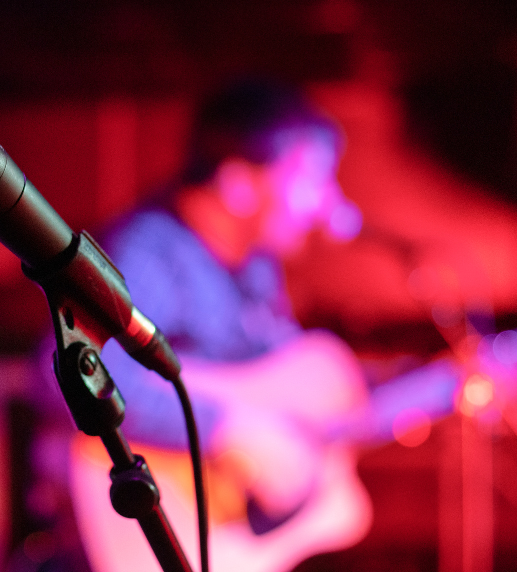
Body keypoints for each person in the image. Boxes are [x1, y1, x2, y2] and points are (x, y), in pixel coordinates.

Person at [31, 79, 456, 572]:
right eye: (310, 179)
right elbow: (66, 373)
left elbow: (293, 391)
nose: (324, 203)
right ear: (237, 183)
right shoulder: (150, 253)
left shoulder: (258, 269)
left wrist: (436, 382)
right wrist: (229, 429)